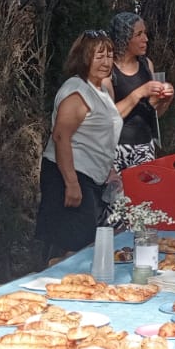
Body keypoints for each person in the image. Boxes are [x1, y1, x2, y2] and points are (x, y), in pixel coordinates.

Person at [35, 30, 123, 257]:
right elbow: (61, 136)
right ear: (83, 57)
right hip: (70, 176)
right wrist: (71, 183)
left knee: (83, 244)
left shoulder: (101, 89)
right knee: (71, 247)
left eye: (109, 55)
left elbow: (98, 136)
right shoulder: (77, 91)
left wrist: (110, 169)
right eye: (99, 56)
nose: (106, 62)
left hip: (92, 178)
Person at [107, 12, 174, 172]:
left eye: (145, 33)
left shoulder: (146, 64)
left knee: (144, 188)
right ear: (124, 38)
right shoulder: (108, 69)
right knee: (117, 189)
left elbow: (153, 114)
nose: (146, 39)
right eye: (139, 34)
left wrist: (165, 100)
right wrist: (140, 92)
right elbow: (108, 117)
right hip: (115, 147)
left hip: (144, 146)